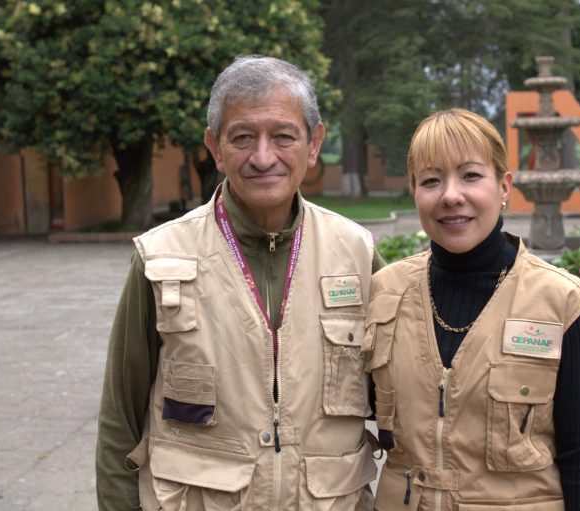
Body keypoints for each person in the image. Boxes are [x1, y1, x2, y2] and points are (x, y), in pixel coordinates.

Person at [96, 55, 385, 511]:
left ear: (314, 144)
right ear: (215, 146)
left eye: (284, 136)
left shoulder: (357, 252)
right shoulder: (161, 258)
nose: (263, 157)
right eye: (242, 137)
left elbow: (402, 394)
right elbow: (120, 418)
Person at [363, 108, 580, 510]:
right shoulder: (385, 293)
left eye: (471, 175)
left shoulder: (561, 302)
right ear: (414, 191)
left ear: (504, 185)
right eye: (431, 180)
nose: (451, 195)